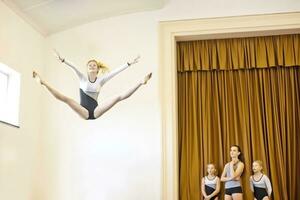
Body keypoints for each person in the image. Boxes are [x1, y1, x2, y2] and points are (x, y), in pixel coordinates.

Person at [33, 50, 152, 120]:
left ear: (97, 69)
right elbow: (73, 67)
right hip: (83, 111)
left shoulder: (101, 80)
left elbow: (115, 72)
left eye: (94, 65)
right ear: (87, 68)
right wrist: (63, 60)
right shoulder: (82, 78)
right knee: (66, 99)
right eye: (89, 65)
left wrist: (129, 63)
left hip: (96, 111)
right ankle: (43, 83)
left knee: (117, 98)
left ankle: (141, 82)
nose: (91, 66)